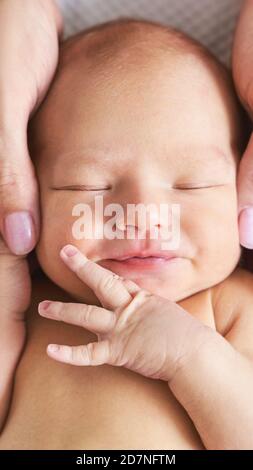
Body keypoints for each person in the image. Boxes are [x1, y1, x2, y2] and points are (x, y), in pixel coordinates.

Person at [0, 17, 253, 450]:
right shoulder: (38, 310)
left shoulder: (229, 303)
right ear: (31, 194)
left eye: (192, 184)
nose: (143, 215)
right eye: (88, 185)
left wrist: (189, 357)